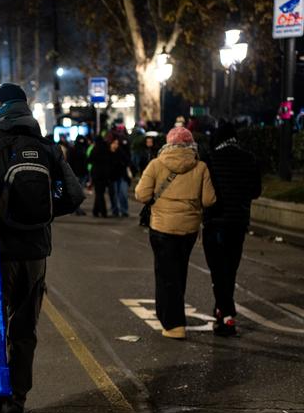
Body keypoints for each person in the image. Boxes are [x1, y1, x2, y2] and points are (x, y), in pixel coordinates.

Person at [0, 82, 84, 413]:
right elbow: (74, 194)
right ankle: (19, 399)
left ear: (4, 108)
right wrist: (43, 215)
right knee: (24, 329)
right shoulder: (48, 147)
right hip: (35, 253)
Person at [135, 127, 216, 339]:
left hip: (162, 227)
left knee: (165, 275)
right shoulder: (201, 167)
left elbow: (141, 194)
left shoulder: (156, 164)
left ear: (168, 144)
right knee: (179, 273)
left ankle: (173, 324)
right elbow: (209, 200)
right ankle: (168, 316)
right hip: (188, 230)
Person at [202, 122, 261, 336]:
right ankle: (222, 310)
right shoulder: (249, 158)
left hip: (215, 222)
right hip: (238, 222)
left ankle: (227, 315)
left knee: (218, 270)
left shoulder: (210, 159)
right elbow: (256, 191)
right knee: (230, 269)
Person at [88, 135, 111, 217]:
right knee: (100, 192)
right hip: (105, 175)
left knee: (99, 193)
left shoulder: (95, 149)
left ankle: (103, 211)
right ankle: (95, 211)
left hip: (96, 174)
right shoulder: (106, 149)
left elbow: (89, 159)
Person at [108, 137, 132, 217]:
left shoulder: (121, 152)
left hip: (122, 176)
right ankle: (115, 210)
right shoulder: (107, 153)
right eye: (114, 143)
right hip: (112, 177)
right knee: (113, 194)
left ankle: (124, 210)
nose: (115, 145)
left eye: (117, 143)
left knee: (123, 193)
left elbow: (127, 161)